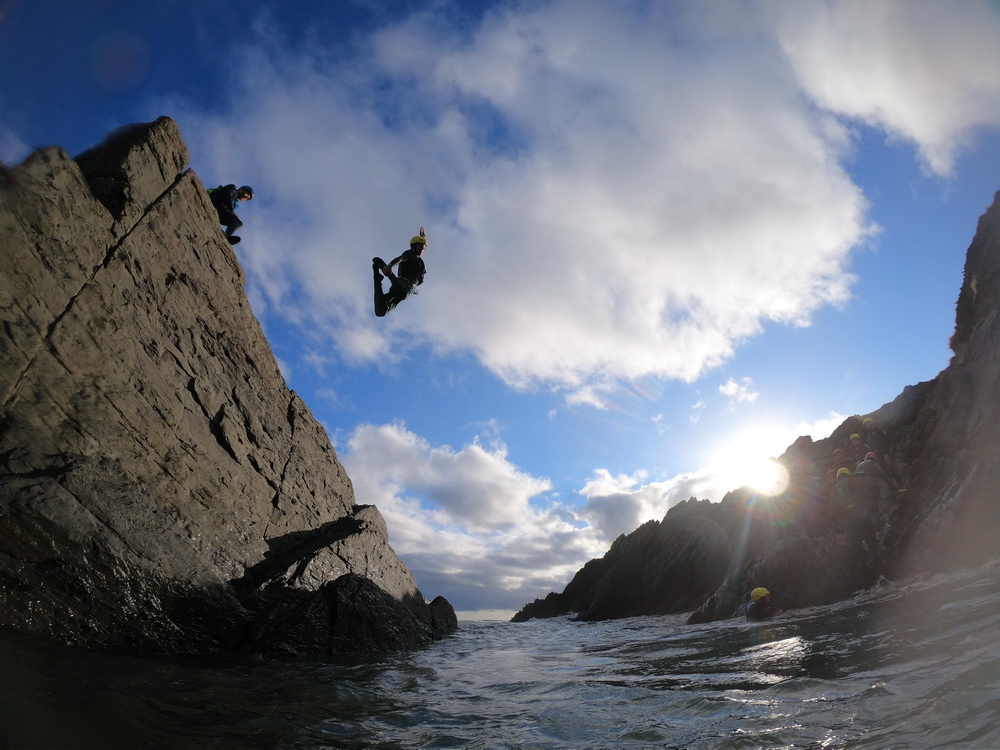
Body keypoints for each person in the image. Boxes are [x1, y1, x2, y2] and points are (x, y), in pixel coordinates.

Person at [373, 229, 428, 317]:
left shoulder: (420, 262)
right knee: (402, 292)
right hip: (404, 284)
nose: (421, 250)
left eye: (423, 248)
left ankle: (378, 277)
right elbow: (400, 259)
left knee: (380, 312)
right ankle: (386, 274)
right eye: (420, 247)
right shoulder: (410, 254)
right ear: (414, 246)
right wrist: (390, 265)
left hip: (404, 288)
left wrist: (423, 238)